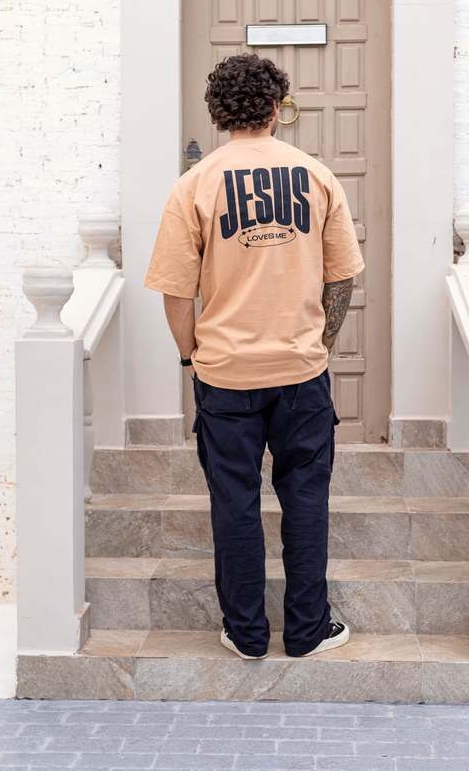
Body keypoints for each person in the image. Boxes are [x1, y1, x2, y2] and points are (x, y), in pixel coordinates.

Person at [144, 53, 365, 660]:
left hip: (224, 374)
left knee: (234, 502)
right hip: (301, 373)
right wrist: (319, 345)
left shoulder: (194, 185)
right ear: (275, 107)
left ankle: (246, 634)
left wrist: (192, 357)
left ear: (219, 114)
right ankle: (307, 630)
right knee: (306, 499)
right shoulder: (317, 176)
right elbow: (341, 278)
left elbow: (175, 291)